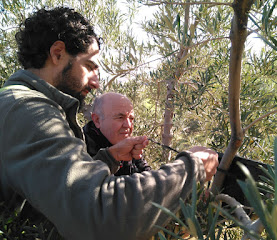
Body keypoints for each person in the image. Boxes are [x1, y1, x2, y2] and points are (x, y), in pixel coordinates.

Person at [0, 7, 219, 240]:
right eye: (90, 66)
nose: (95, 82)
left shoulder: (21, 104)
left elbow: (54, 192)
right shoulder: (28, 110)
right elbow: (100, 217)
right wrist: (190, 168)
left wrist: (109, 158)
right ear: (57, 53)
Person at [83, 92, 152, 176]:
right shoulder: (79, 146)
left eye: (131, 119)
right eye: (120, 118)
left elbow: (147, 174)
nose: (128, 125)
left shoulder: (128, 144)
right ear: (97, 120)